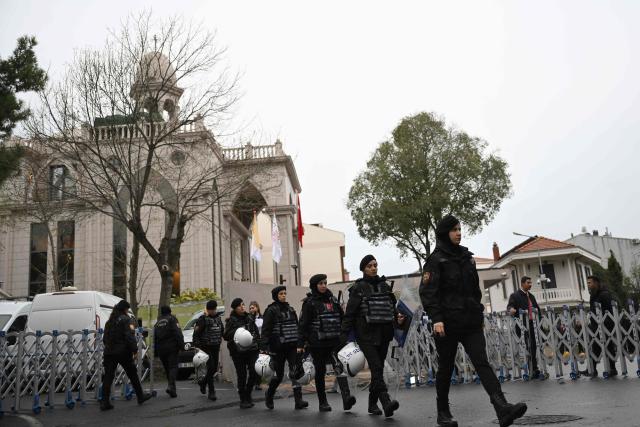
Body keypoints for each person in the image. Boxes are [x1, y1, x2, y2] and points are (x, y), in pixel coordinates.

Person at [420, 215, 527, 427]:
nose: (459, 233)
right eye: (454, 229)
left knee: (481, 362)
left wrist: (479, 315)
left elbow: (475, 291)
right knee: (446, 367)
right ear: (445, 233)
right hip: (447, 324)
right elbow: (428, 292)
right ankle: (443, 412)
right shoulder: (436, 260)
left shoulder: (467, 258)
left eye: (460, 229)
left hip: (470, 322)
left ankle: (502, 408)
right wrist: (437, 319)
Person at [340, 255, 401, 418]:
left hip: (384, 334)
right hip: (365, 336)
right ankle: (386, 402)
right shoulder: (358, 288)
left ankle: (372, 404)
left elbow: (392, 310)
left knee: (377, 370)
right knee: (376, 367)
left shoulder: (385, 287)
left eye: (375, 265)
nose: (373, 268)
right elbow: (350, 314)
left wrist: (398, 318)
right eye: (369, 266)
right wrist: (343, 338)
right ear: (363, 269)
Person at [298, 274, 356, 412]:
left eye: (325, 283)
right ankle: (322, 402)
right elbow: (303, 325)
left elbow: (342, 319)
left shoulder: (333, 300)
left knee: (339, 367)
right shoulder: (309, 303)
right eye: (320, 283)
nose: (324, 285)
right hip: (317, 344)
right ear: (314, 286)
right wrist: (300, 344)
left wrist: (344, 336)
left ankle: (346, 399)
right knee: (320, 372)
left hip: (335, 342)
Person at [260, 286, 309, 410]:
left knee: (295, 372)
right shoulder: (270, 311)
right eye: (281, 294)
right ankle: (269, 394)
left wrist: (300, 343)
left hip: (292, 346)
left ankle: (299, 400)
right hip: (278, 348)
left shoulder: (291, 309)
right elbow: (265, 330)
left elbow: (297, 327)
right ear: (276, 296)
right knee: (279, 375)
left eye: (285, 293)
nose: (283, 295)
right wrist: (264, 347)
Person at [100, 300, 153, 411]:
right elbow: (129, 336)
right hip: (123, 352)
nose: (128, 311)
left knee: (108, 377)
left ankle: (104, 402)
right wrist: (134, 350)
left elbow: (105, 339)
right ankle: (140, 396)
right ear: (125, 309)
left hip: (109, 352)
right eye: (127, 309)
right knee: (132, 374)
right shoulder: (126, 320)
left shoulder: (109, 322)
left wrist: (110, 348)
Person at [223, 298, 260, 408]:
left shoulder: (249, 317)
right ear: (235, 308)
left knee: (254, 372)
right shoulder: (231, 320)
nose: (242, 307)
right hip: (238, 352)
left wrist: (259, 344)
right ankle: (243, 398)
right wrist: (238, 330)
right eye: (240, 306)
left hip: (252, 350)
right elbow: (226, 336)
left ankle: (248, 393)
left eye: (243, 305)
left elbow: (256, 332)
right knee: (242, 375)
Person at [582, 275, 618, 377]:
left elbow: (609, 311)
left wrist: (605, 323)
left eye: (590, 283)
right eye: (587, 283)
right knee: (595, 347)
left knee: (609, 346)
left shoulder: (604, 294)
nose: (588, 285)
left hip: (606, 325)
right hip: (595, 325)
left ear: (596, 283)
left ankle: (612, 369)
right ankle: (592, 370)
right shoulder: (593, 295)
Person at [507, 276, 541, 378]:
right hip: (522, 326)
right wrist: (511, 309)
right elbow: (509, 307)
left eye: (531, 283)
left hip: (533, 325)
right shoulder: (515, 295)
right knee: (528, 347)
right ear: (522, 284)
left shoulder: (531, 296)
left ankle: (534, 368)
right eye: (528, 283)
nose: (530, 284)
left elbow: (537, 309)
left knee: (534, 347)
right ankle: (531, 369)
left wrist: (539, 319)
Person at [193, 300, 224, 400]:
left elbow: (222, 331)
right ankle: (212, 391)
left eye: (213, 309)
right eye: (210, 310)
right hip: (205, 347)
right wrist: (197, 345)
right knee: (210, 367)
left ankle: (203, 382)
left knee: (214, 369)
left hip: (216, 346)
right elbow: (196, 334)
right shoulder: (202, 319)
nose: (212, 311)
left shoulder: (218, 319)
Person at [153, 305, 184, 398]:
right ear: (170, 311)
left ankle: (172, 390)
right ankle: (171, 386)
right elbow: (178, 333)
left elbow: (154, 337)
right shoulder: (172, 319)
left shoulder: (157, 322)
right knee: (173, 367)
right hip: (171, 348)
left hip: (161, 349)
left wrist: (155, 352)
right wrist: (181, 346)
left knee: (168, 369)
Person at [249, 301, 264, 390]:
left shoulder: (262, 318)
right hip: (251, 344)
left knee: (259, 363)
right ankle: (253, 381)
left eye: (253, 307)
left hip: (260, 343)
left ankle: (258, 383)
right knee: (252, 364)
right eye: (250, 308)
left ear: (257, 308)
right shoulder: (248, 319)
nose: (252, 309)